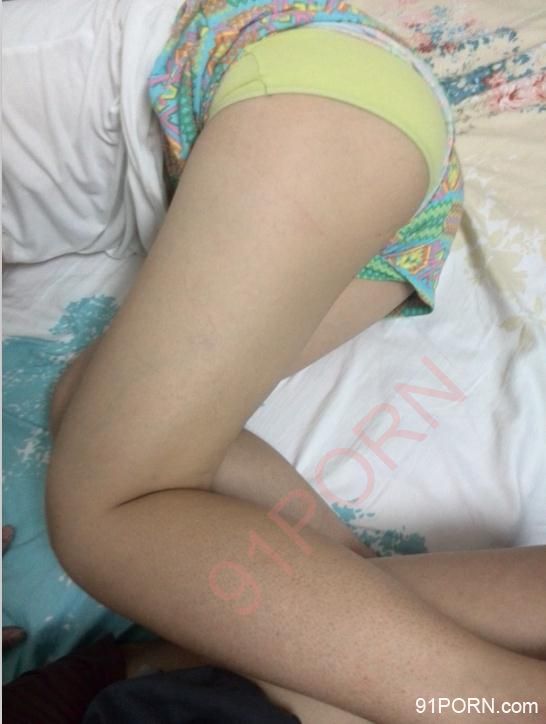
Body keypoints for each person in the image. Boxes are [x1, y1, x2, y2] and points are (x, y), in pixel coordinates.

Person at [5, 0, 544, 721]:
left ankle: (503, 703)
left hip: (313, 111)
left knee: (104, 498)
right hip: (357, 158)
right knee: (93, 431)